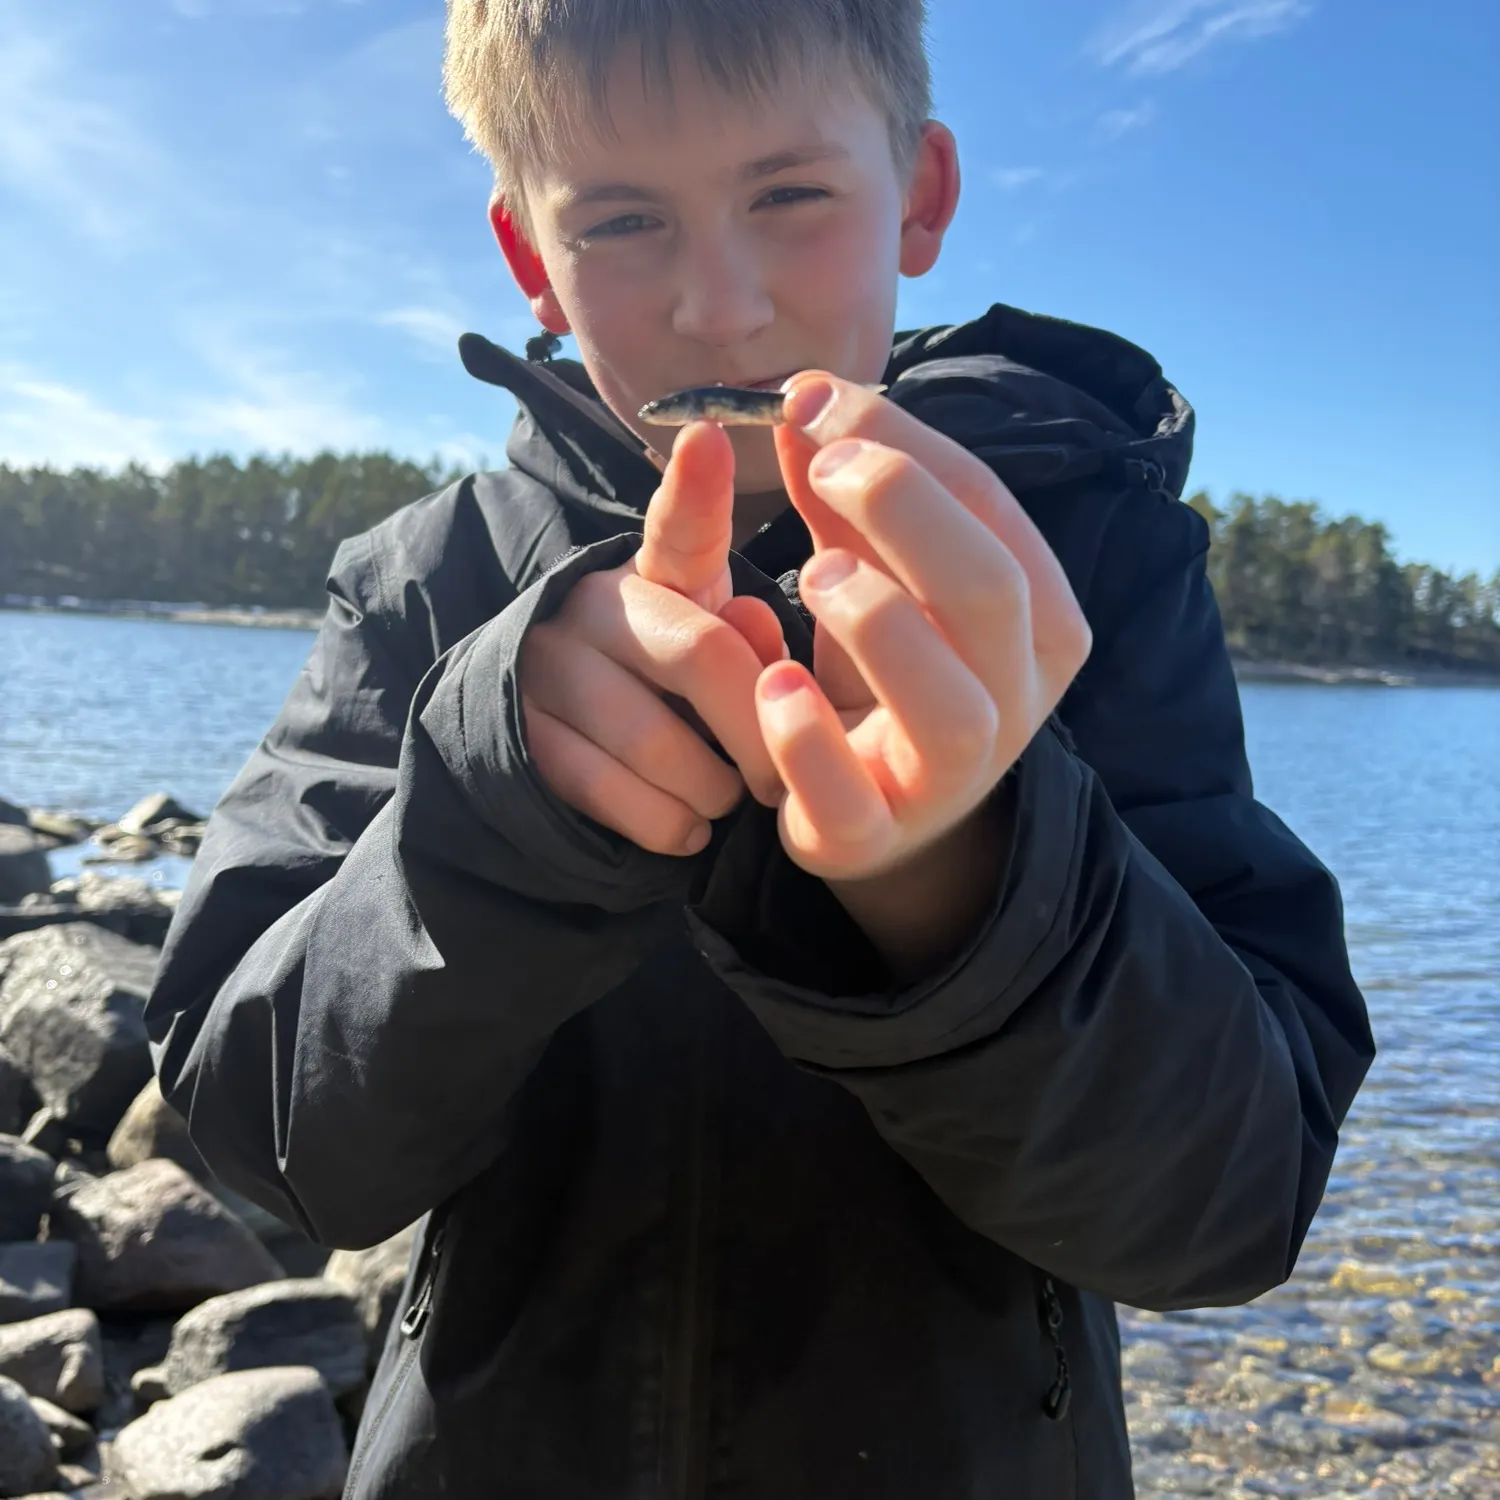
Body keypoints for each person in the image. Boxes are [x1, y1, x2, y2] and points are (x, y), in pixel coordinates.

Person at [144, 1, 1375, 1495]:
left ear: (917, 199)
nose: (716, 307)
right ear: (531, 255)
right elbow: (263, 1146)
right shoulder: (430, 584)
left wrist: (968, 887)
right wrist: (496, 819)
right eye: (621, 220)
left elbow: (1228, 1210)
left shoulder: (1084, 559)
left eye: (790, 196)